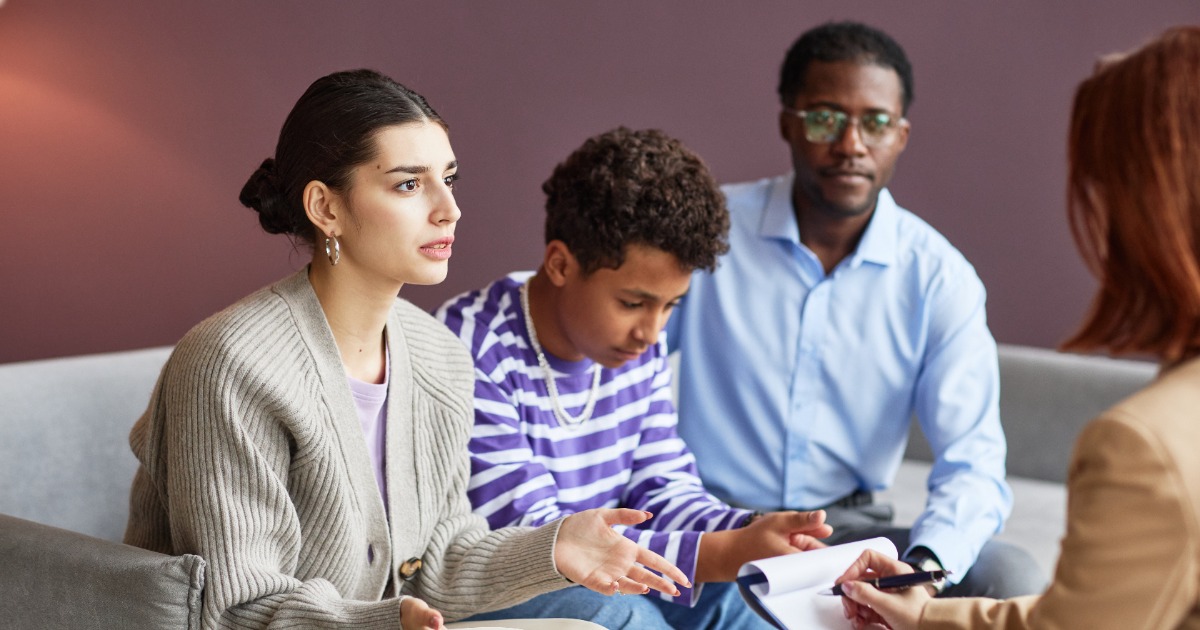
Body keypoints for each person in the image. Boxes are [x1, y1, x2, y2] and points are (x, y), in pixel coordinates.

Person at [123, 70, 689, 630]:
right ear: (326, 208)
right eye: (409, 184)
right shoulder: (232, 365)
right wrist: (383, 622)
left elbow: (436, 562)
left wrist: (553, 549)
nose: (449, 209)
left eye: (450, 178)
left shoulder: (439, 355)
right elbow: (239, 609)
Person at [835, 25, 1200, 629]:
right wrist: (924, 619)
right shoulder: (719, 241)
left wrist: (925, 577)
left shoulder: (1145, 446)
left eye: (1101, 186)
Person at [664, 21, 1044, 597]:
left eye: (875, 122)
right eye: (824, 118)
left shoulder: (938, 277)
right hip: (715, 523)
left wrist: (921, 575)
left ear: (902, 136)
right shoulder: (711, 234)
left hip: (846, 535)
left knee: (1008, 574)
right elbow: (616, 347)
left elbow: (973, 465)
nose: (850, 144)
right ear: (787, 123)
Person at [436, 127, 833, 629]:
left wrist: (749, 533)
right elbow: (533, 536)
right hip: (515, 577)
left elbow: (660, 482)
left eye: (671, 306)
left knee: (746, 606)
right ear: (560, 263)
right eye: (633, 303)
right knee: (629, 619)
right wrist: (719, 551)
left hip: (610, 566)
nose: (652, 331)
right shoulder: (470, 346)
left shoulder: (633, 345)